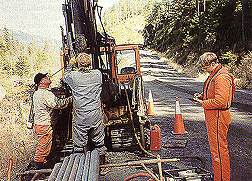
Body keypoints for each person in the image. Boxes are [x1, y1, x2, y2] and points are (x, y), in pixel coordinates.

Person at [193, 52, 236, 181]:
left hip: (218, 116)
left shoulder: (221, 77)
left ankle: (222, 178)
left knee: (219, 151)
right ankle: (219, 177)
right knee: (216, 150)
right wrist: (203, 96)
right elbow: (215, 93)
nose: (204, 70)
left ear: (213, 64)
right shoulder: (214, 74)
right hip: (214, 116)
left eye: (205, 67)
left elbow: (221, 101)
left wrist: (203, 103)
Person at [63, 53, 106, 163]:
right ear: (90, 63)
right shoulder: (97, 74)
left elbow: (65, 76)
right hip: (95, 113)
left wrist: (71, 64)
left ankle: (80, 166)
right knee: (99, 142)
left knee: (79, 144)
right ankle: (102, 164)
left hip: (81, 115)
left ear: (78, 64)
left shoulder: (73, 76)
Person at [33, 73, 71, 169]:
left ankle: (42, 163)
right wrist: (72, 98)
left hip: (40, 124)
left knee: (45, 145)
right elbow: (59, 104)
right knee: (43, 147)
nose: (48, 78)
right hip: (44, 125)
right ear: (41, 82)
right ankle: (39, 167)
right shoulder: (45, 94)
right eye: (45, 78)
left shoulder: (37, 93)